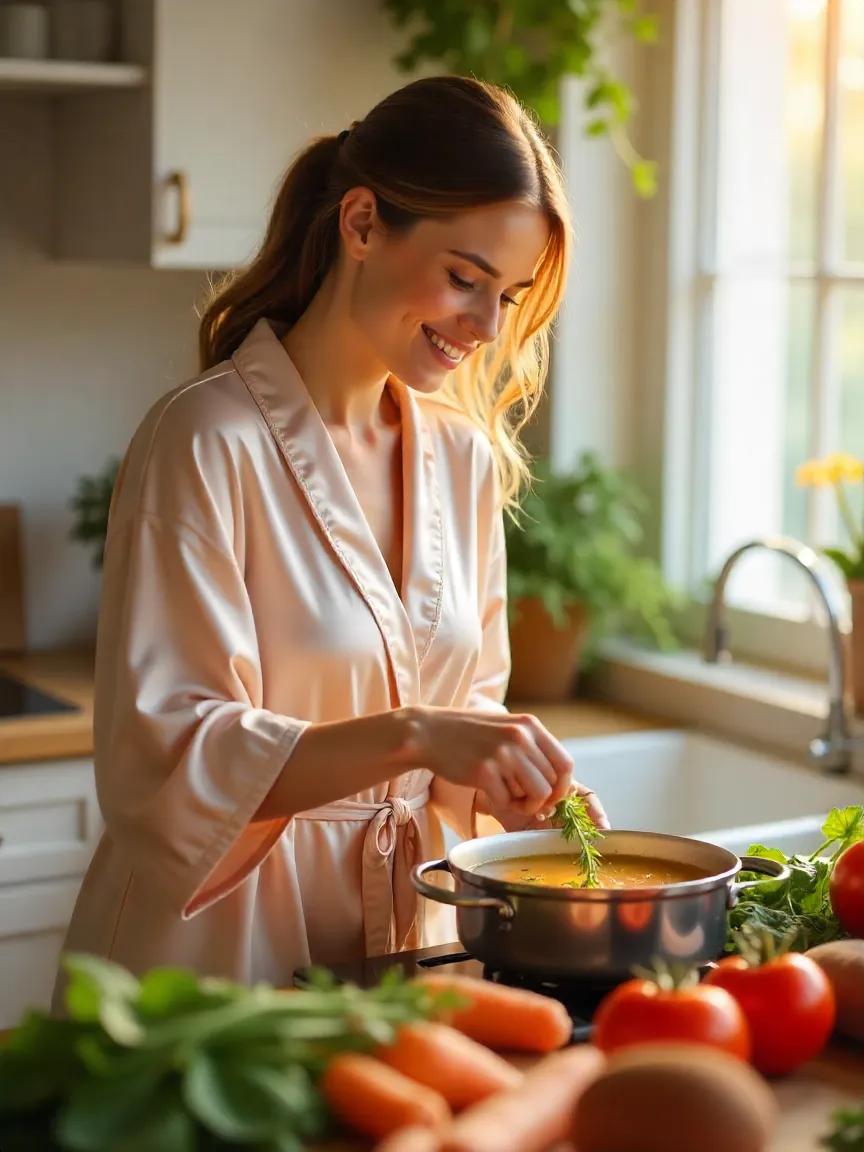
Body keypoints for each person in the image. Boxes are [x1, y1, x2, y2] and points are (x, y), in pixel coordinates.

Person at [51, 74, 608, 1008]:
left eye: (507, 296)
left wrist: (500, 790)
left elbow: (467, 710)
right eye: (465, 277)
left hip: (409, 950)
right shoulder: (203, 440)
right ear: (360, 225)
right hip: (218, 954)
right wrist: (417, 733)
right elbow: (169, 751)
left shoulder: (465, 463)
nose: (483, 327)